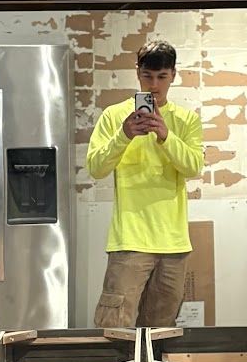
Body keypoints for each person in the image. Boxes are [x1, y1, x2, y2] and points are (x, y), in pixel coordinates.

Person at [86, 40, 204, 328]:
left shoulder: (186, 119)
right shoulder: (114, 116)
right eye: (147, 76)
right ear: (137, 73)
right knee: (115, 328)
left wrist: (166, 136)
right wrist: (123, 135)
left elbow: (193, 167)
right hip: (129, 240)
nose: (154, 85)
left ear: (173, 75)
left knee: (161, 331)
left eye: (162, 76)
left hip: (173, 243)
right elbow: (96, 168)